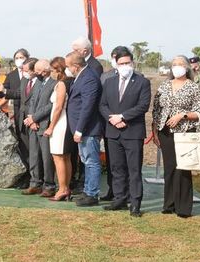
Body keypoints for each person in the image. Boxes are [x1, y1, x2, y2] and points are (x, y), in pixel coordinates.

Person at [99, 48, 151, 217]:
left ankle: (135, 203)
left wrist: (122, 117)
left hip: (133, 133)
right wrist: (111, 118)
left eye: (127, 63)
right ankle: (119, 199)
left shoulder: (142, 82)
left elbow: (143, 106)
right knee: (116, 168)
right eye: (121, 64)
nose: (124, 66)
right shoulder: (109, 82)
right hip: (113, 132)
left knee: (134, 169)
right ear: (116, 65)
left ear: (133, 63)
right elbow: (102, 105)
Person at [152, 55, 200, 218]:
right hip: (165, 132)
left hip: (185, 132)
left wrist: (182, 115)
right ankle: (169, 204)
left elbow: (199, 112)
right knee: (169, 168)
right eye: (174, 64)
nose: (177, 67)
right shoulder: (164, 86)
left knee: (183, 168)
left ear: (187, 67)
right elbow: (156, 109)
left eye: (180, 64)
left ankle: (183, 207)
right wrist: (154, 130)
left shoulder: (193, 87)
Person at [65, 51, 103, 207]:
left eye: (68, 66)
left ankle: (92, 194)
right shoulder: (81, 77)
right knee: (86, 161)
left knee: (91, 162)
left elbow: (88, 106)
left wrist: (79, 129)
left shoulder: (89, 78)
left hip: (88, 129)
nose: (67, 69)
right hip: (81, 129)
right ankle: (87, 191)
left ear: (75, 65)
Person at [22, 60, 56, 197]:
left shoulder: (54, 84)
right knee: (34, 155)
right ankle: (35, 183)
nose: (35, 73)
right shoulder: (38, 83)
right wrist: (31, 119)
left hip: (44, 125)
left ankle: (49, 186)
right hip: (33, 126)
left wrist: (34, 118)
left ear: (45, 71)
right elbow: (32, 101)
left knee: (46, 157)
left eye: (37, 70)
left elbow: (50, 105)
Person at [43, 57, 74, 201]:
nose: (51, 73)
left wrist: (51, 126)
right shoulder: (68, 82)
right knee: (65, 157)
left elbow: (58, 107)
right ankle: (65, 188)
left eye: (52, 70)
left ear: (58, 70)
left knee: (58, 157)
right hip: (63, 122)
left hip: (60, 123)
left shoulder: (61, 84)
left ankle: (62, 189)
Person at [8, 58, 39, 190]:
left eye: (26, 70)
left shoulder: (41, 83)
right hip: (22, 121)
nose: (23, 72)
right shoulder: (25, 80)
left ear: (33, 70)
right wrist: (4, 92)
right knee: (26, 152)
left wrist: (33, 118)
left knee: (35, 153)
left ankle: (37, 180)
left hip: (35, 122)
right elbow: (20, 94)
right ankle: (28, 178)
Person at [2, 48, 30, 188]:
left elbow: (22, 93)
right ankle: (25, 176)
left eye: (22, 57)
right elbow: (3, 89)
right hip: (18, 115)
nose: (20, 59)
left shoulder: (31, 75)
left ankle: (34, 177)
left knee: (31, 148)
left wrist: (6, 92)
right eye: (17, 57)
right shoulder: (12, 75)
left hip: (31, 116)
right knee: (22, 146)